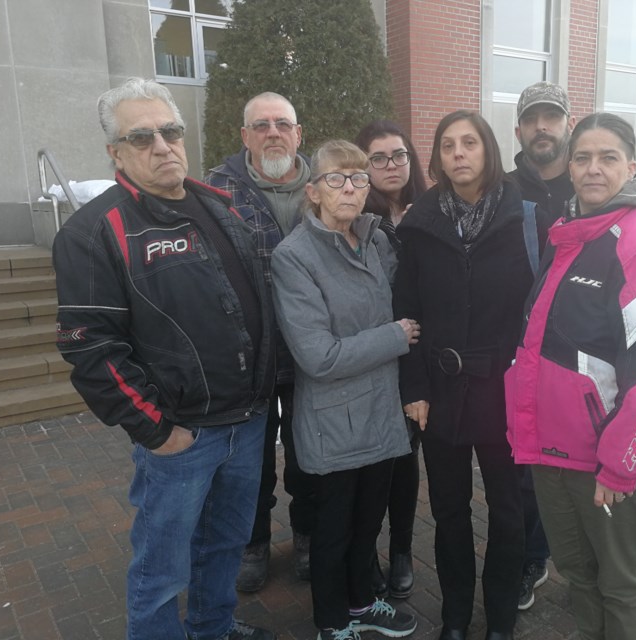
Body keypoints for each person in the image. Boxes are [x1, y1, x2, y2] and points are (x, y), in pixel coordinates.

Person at [52, 77, 276, 640]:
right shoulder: (95, 231)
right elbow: (89, 344)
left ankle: (213, 628)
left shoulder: (221, 204)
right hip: (183, 436)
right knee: (162, 568)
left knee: (224, 543)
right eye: (142, 136)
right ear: (116, 152)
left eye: (170, 131)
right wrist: (156, 430)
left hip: (246, 421)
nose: (162, 145)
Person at [504, 112, 636, 640]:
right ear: (569, 167)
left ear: (632, 166)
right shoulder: (570, 236)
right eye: (583, 157)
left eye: (608, 157)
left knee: (619, 585)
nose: (593, 169)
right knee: (580, 576)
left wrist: (621, 466)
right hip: (555, 452)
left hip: (608, 463)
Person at [270, 140, 421, 640]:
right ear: (313, 191)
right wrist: (394, 337)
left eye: (358, 178)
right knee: (333, 529)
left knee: (368, 521)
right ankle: (332, 623)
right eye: (336, 179)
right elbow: (318, 356)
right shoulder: (294, 257)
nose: (350, 188)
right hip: (336, 419)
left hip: (381, 411)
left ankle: (361, 602)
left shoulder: (374, 240)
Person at [393, 111, 533, 640]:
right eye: (448, 144)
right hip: (442, 392)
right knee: (449, 512)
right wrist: (415, 389)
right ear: (437, 157)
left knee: (508, 511)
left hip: (504, 390)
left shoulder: (526, 219)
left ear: (488, 151)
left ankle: (499, 620)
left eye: (469, 142)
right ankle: (454, 617)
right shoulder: (419, 225)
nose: (459, 153)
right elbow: (405, 313)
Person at [204, 91, 317, 592]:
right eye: (262, 124)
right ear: (245, 135)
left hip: (311, 352)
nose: (274, 132)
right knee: (249, 460)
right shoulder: (212, 191)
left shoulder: (326, 183)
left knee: (308, 452)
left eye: (283, 123)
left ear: (298, 134)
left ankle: (309, 536)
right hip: (246, 354)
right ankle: (252, 543)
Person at [507, 80, 578, 611]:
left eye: (550, 117)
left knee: (574, 463)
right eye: (532, 119)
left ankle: (575, 556)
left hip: (578, 349)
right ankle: (530, 554)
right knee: (524, 464)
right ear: (519, 130)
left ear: (566, 125)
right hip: (517, 347)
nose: (541, 128)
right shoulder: (503, 190)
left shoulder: (591, 185)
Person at [353, 119, 428, 599]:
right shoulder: (358, 217)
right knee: (372, 467)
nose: (390, 165)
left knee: (406, 462)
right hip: (375, 353)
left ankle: (401, 550)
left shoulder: (433, 210)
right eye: (377, 158)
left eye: (398, 155)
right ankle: (365, 556)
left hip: (421, 356)